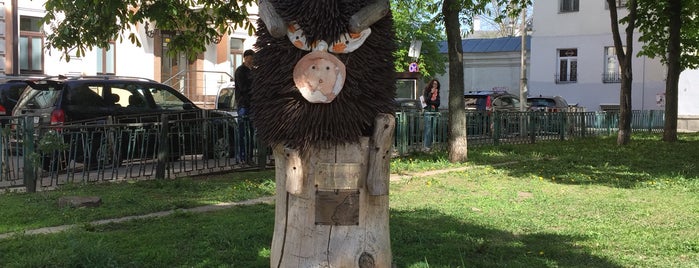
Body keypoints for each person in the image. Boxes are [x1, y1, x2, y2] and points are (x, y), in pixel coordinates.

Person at [234, 49, 255, 163]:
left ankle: (249, 157)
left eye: (252, 59)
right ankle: (241, 157)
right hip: (243, 104)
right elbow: (243, 87)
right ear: (245, 58)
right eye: (249, 58)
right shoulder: (240, 71)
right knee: (242, 132)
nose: (251, 61)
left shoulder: (254, 71)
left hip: (252, 104)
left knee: (251, 132)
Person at [422, 79, 440, 151]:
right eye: (434, 84)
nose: (435, 85)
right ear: (431, 84)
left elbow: (438, 103)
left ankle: (432, 145)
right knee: (428, 129)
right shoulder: (427, 91)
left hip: (434, 112)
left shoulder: (437, 93)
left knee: (433, 130)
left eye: (436, 84)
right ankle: (426, 146)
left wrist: (431, 102)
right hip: (428, 111)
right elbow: (426, 100)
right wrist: (431, 94)